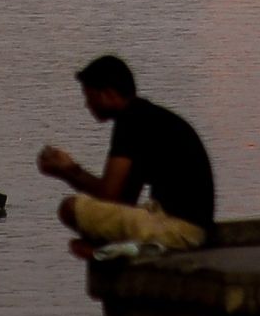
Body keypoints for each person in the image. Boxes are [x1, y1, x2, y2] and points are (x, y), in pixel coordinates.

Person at [38, 54, 214, 257]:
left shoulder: (130, 121)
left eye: (90, 97)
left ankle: (108, 252)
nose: (87, 105)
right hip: (190, 229)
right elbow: (122, 201)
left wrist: (67, 171)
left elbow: (109, 195)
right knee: (98, 215)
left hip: (181, 231)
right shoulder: (144, 117)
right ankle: (112, 249)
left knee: (69, 208)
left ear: (109, 94)